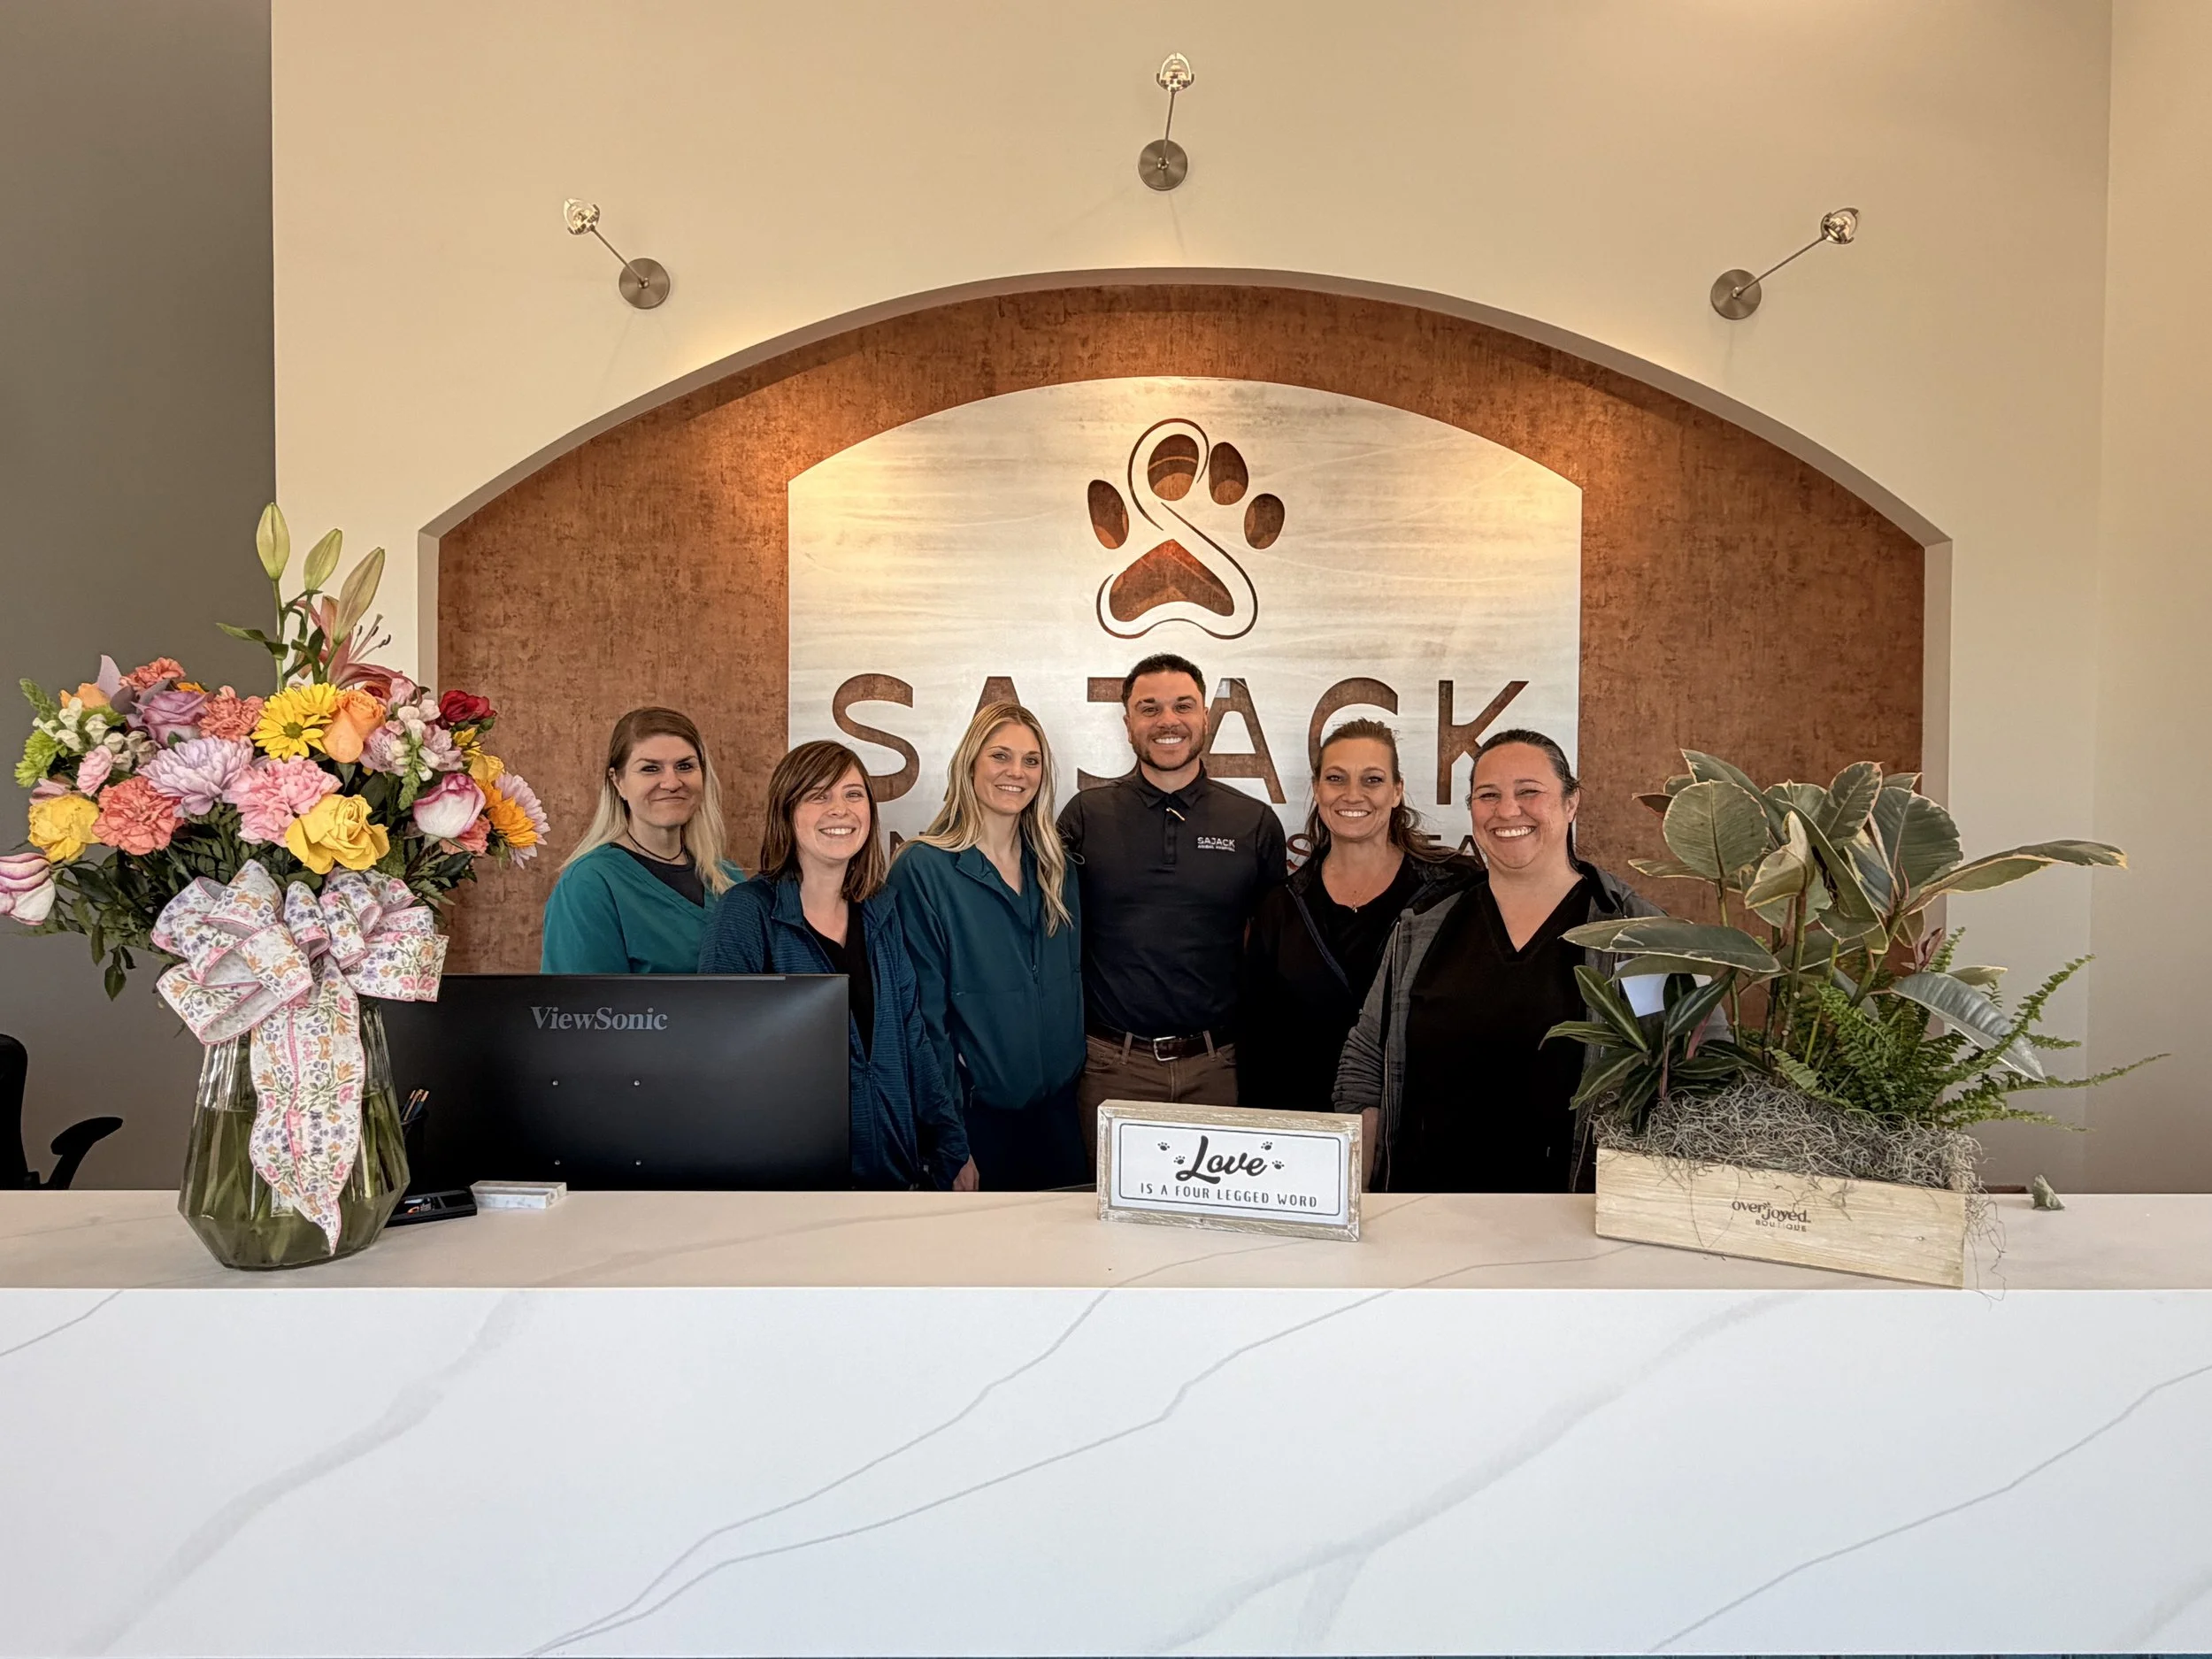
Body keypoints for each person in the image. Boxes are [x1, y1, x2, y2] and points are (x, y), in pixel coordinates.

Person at [1333, 728, 1668, 1194]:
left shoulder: (1634, 934)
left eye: (1529, 792)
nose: (1508, 811)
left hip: (1569, 1220)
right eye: (1489, 795)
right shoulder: (1423, 925)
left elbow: (1681, 1066)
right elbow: (1367, 1061)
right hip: (1420, 1214)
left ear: (1571, 803)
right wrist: (1360, 1196)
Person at [696, 741, 976, 1191]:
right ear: (787, 812)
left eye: (853, 794)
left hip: (892, 1175)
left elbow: (913, 1038)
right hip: (794, 1182)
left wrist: (952, 1144)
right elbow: (719, 1060)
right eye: (818, 796)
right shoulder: (746, 913)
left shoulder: (881, 910)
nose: (840, 810)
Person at [1057, 653, 1286, 1138]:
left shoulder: (1254, 823)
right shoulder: (1085, 817)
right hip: (1111, 1069)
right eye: (1149, 708)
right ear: (1128, 725)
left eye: (1183, 706)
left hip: (1219, 1070)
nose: (1168, 721)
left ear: (1205, 718)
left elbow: (1272, 952)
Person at [887, 703, 1086, 1189]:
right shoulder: (924, 869)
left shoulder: (1055, 866)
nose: (1017, 772)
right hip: (978, 1123)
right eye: (1000, 756)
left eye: (1031, 760)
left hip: (1059, 1117)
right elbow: (924, 1020)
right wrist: (949, 1138)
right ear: (970, 764)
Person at [1239, 719, 1473, 1114]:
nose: (1352, 794)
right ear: (1317, 789)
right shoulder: (1281, 906)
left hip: (1418, 1129)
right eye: (1336, 778)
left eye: (1372, 780)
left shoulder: (1451, 890)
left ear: (1396, 791)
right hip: (1309, 1128)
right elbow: (1258, 1042)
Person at [541, 706, 741, 973]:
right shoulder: (589, 884)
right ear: (618, 782)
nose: (672, 783)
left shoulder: (729, 879)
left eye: (685, 766)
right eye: (650, 769)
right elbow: (583, 999)